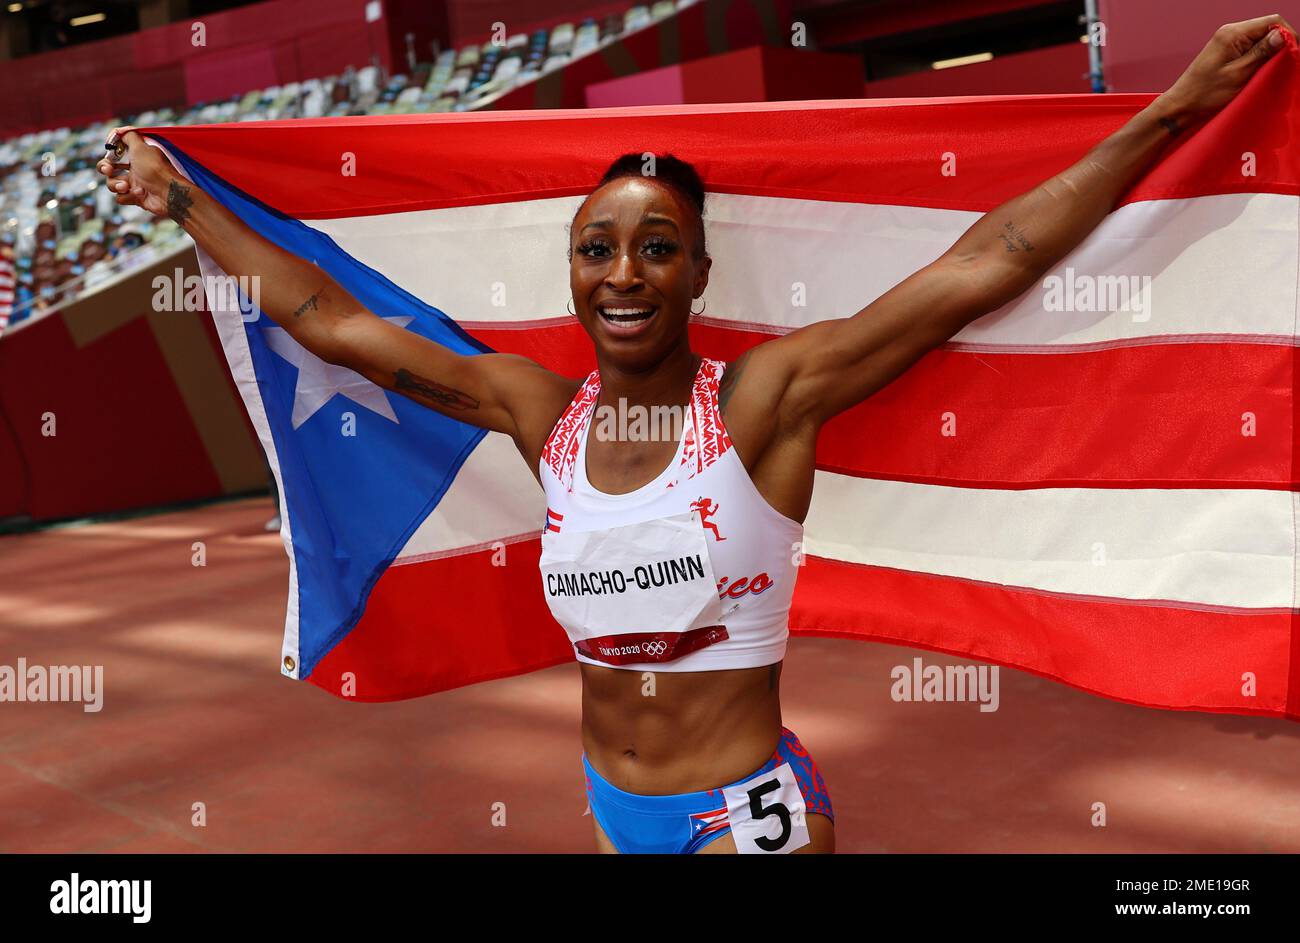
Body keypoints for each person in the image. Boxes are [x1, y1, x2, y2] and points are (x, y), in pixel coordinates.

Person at [98, 15, 1293, 854]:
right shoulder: (538, 412)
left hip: (745, 818)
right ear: (571, 272)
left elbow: (990, 263)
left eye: (656, 246)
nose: (624, 272)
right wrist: (187, 201)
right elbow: (337, 323)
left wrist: (1178, 110)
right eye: (598, 248)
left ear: (698, 271)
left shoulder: (765, 400)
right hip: (612, 805)